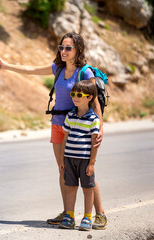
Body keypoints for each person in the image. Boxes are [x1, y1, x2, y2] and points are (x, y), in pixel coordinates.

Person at [0, 32, 107, 229]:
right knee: (64, 169)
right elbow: (31, 69)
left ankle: (100, 214)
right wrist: (6, 66)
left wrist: (100, 128)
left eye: (68, 48)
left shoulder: (85, 72)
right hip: (58, 124)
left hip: (80, 128)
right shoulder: (57, 68)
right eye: (61, 47)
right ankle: (68, 213)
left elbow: (95, 103)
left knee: (86, 171)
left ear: (78, 50)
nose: (63, 51)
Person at [58, 80, 99, 231]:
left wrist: (92, 163)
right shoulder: (70, 115)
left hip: (85, 160)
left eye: (79, 95)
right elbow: (65, 138)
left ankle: (87, 217)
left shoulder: (93, 119)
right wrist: (62, 159)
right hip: (69, 159)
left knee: (88, 188)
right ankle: (69, 216)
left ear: (89, 97)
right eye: (73, 94)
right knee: (70, 187)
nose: (75, 97)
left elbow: (94, 142)